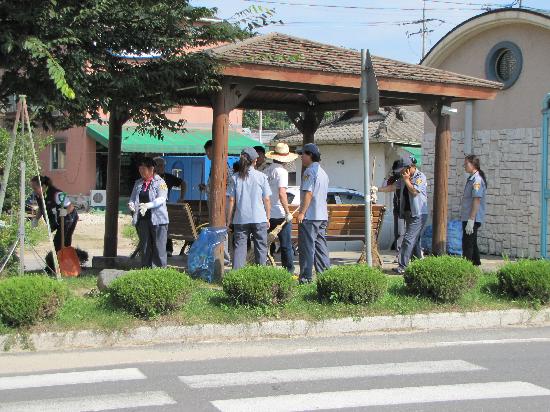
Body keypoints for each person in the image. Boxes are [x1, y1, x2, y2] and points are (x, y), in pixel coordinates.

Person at [375, 156, 428, 274]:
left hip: (418, 214)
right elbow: (393, 187)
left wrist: (407, 180)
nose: (401, 172)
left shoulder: (420, 177)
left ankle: (403, 266)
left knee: (408, 239)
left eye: (402, 170)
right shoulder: (403, 178)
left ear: (409, 167)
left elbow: (414, 191)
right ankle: (418, 265)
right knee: (415, 240)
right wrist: (377, 189)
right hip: (408, 213)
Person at [226, 147, 271, 269]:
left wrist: (228, 220)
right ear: (255, 160)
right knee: (261, 247)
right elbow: (267, 199)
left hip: (240, 218)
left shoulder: (235, 177)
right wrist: (268, 217)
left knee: (240, 247)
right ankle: (261, 274)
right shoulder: (261, 176)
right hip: (259, 217)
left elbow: (231, 200)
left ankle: (237, 275)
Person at [297, 143, 330, 283]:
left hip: (310, 216)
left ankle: (306, 278)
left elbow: (308, 193)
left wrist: (302, 212)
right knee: (321, 247)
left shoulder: (309, 171)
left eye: (303, 154)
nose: (301, 157)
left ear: (310, 155)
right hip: (322, 216)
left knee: (307, 248)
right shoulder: (323, 173)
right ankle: (325, 275)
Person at [128, 157, 169, 268]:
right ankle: (145, 269)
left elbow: (162, 198)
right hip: (142, 219)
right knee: (145, 247)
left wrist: (148, 205)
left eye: (144, 168)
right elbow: (133, 198)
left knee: (159, 248)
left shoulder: (161, 182)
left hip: (158, 220)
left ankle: (159, 271)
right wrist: (131, 204)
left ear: (151, 169)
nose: (141, 171)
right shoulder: (138, 183)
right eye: (140, 168)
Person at [265, 142, 297, 273]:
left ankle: (267, 268)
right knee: (285, 245)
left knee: (267, 244)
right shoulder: (282, 172)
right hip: (279, 213)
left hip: (267, 213)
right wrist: (288, 212)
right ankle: (288, 271)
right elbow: (282, 193)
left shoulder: (266, 170)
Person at [200, 139, 232, 265]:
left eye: (209, 151)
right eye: (206, 151)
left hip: (220, 202)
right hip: (214, 201)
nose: (207, 154)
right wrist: (206, 187)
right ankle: (218, 255)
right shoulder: (215, 164)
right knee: (217, 228)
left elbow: (226, 184)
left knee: (220, 228)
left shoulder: (222, 165)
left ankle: (224, 258)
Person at [30, 175, 78, 252]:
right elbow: (42, 208)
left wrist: (64, 212)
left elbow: (70, 207)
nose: (34, 191)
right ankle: (60, 256)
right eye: (32, 189)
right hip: (58, 218)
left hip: (69, 217)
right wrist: (36, 219)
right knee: (59, 242)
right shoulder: (39, 196)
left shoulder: (56, 194)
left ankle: (62, 257)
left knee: (61, 241)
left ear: (43, 186)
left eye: (35, 188)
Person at [153, 156, 186, 256]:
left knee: (166, 226)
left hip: (164, 207)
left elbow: (183, 183)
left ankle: (168, 249)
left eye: (162, 165)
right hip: (152, 207)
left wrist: (181, 197)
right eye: (159, 165)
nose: (161, 167)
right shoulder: (150, 178)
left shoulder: (168, 177)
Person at [461, 154, 487, 266]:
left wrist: (471, 220)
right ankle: (476, 264)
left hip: (472, 218)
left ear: (473, 164)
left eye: (466, 163)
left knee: (467, 245)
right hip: (468, 216)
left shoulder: (477, 180)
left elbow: (476, 200)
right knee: (472, 242)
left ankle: (466, 268)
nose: (464, 166)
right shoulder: (471, 178)